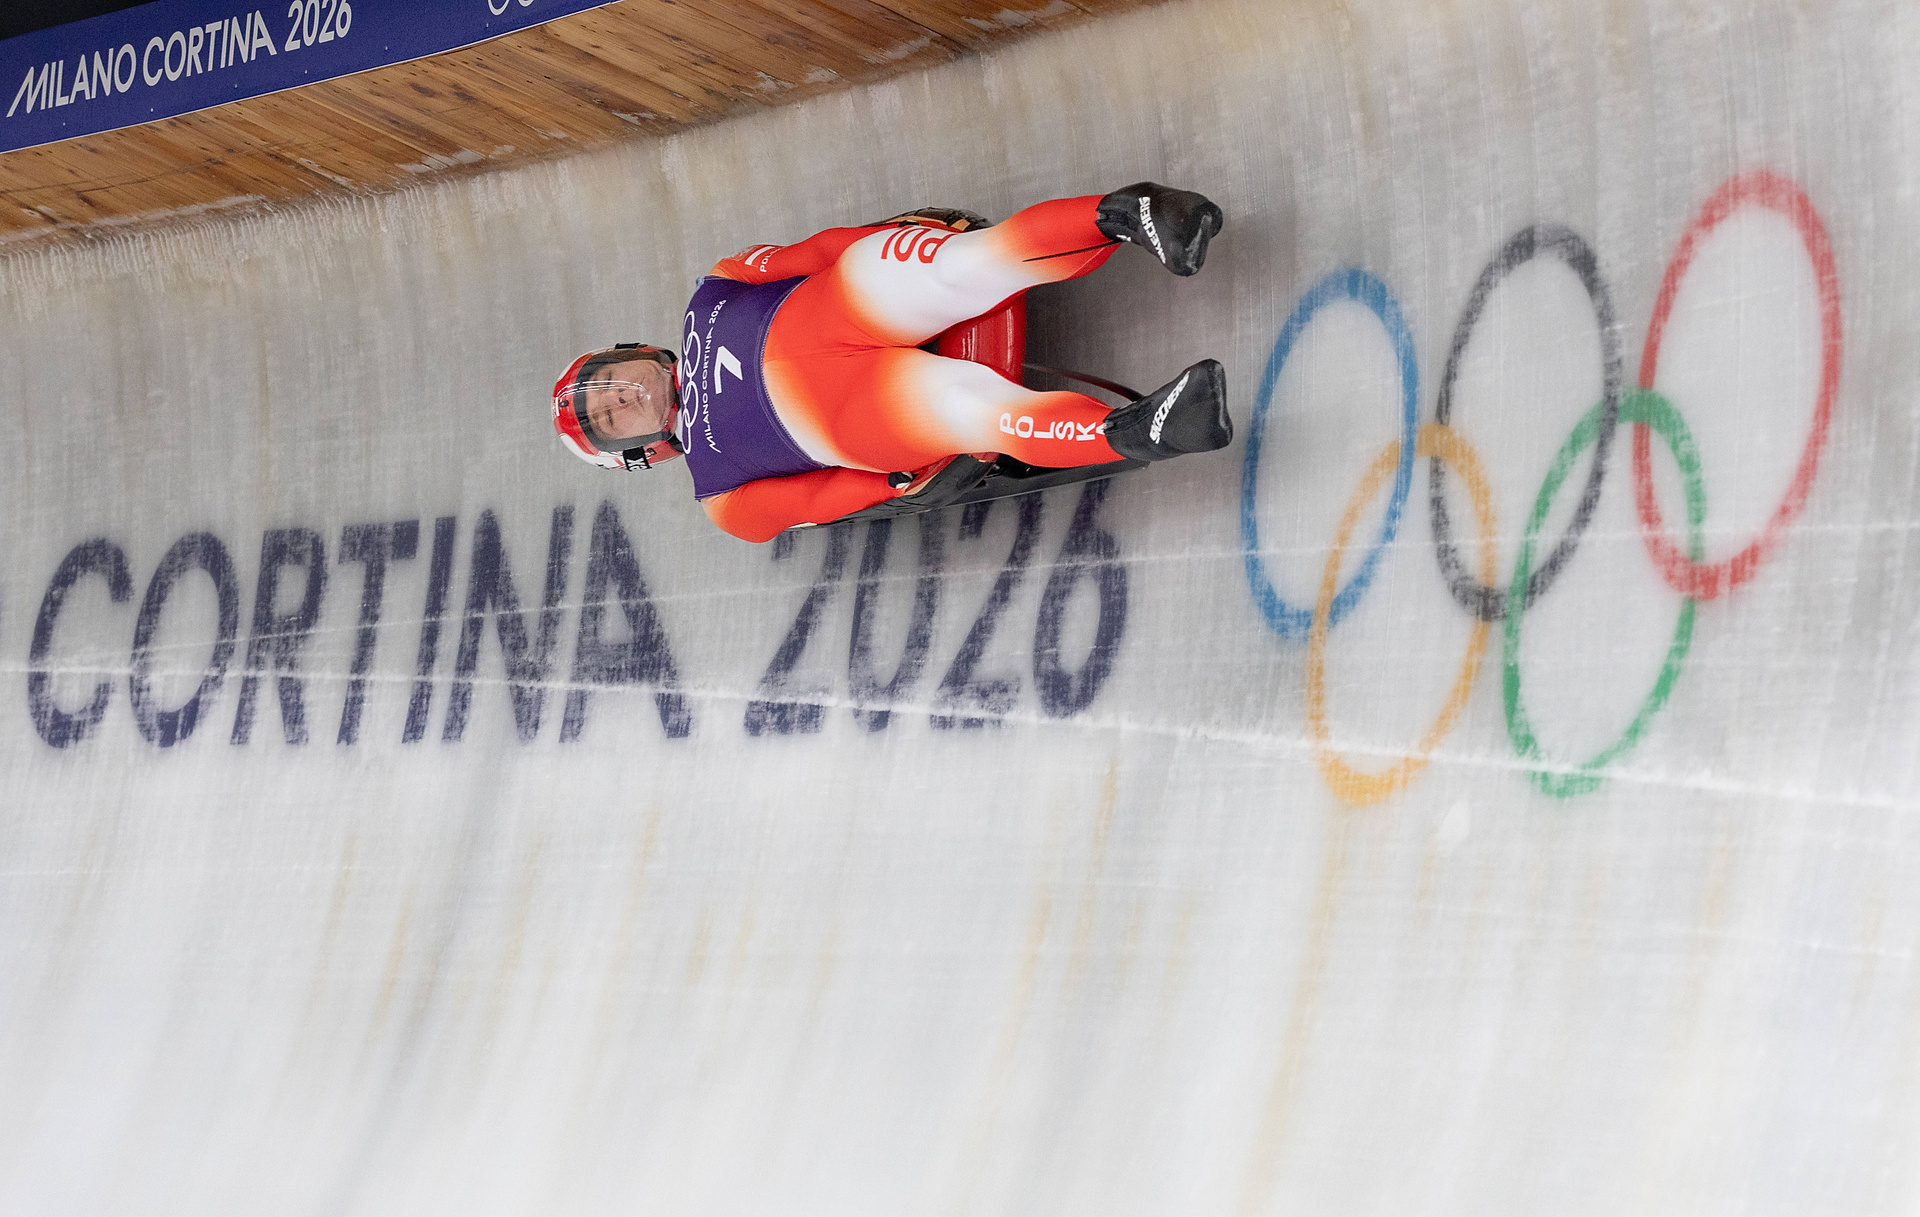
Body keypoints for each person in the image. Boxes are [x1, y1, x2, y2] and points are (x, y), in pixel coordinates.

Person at [551, 183, 1233, 543]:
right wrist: (897, 483)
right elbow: (818, 501)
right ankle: (1139, 430)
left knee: (961, 266)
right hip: (862, 412)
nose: (621, 399)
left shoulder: (716, 287)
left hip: (848, 299)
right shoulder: (721, 497)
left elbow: (815, 254)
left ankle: (1134, 213)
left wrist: (889, 237)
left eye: (606, 384)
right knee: (975, 412)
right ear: (641, 452)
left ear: (634, 351)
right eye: (611, 418)